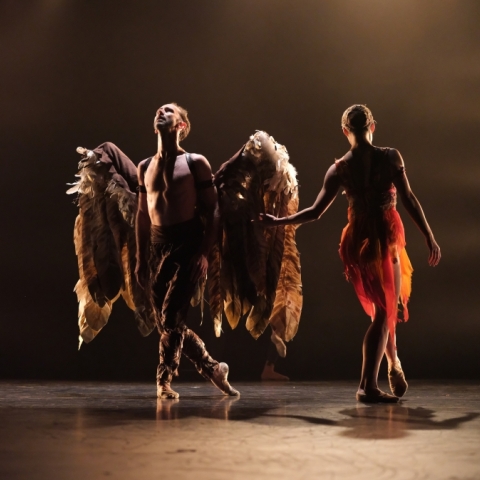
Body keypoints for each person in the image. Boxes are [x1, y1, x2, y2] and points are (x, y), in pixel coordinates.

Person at [260, 105, 441, 402]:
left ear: (345, 131)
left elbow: (315, 212)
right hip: (382, 237)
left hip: (363, 241)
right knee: (384, 310)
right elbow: (408, 198)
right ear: (373, 125)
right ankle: (368, 385)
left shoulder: (339, 169)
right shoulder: (390, 157)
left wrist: (279, 221)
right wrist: (429, 236)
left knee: (386, 307)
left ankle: (393, 362)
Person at [132, 103, 240, 399]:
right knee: (169, 322)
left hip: (187, 243)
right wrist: (141, 259)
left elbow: (214, 209)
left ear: (181, 126)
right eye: (158, 110)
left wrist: (204, 252)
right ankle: (213, 368)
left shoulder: (195, 162)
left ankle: (163, 381)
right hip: (157, 245)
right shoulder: (144, 167)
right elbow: (142, 215)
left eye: (169, 111)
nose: (161, 112)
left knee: (170, 318)